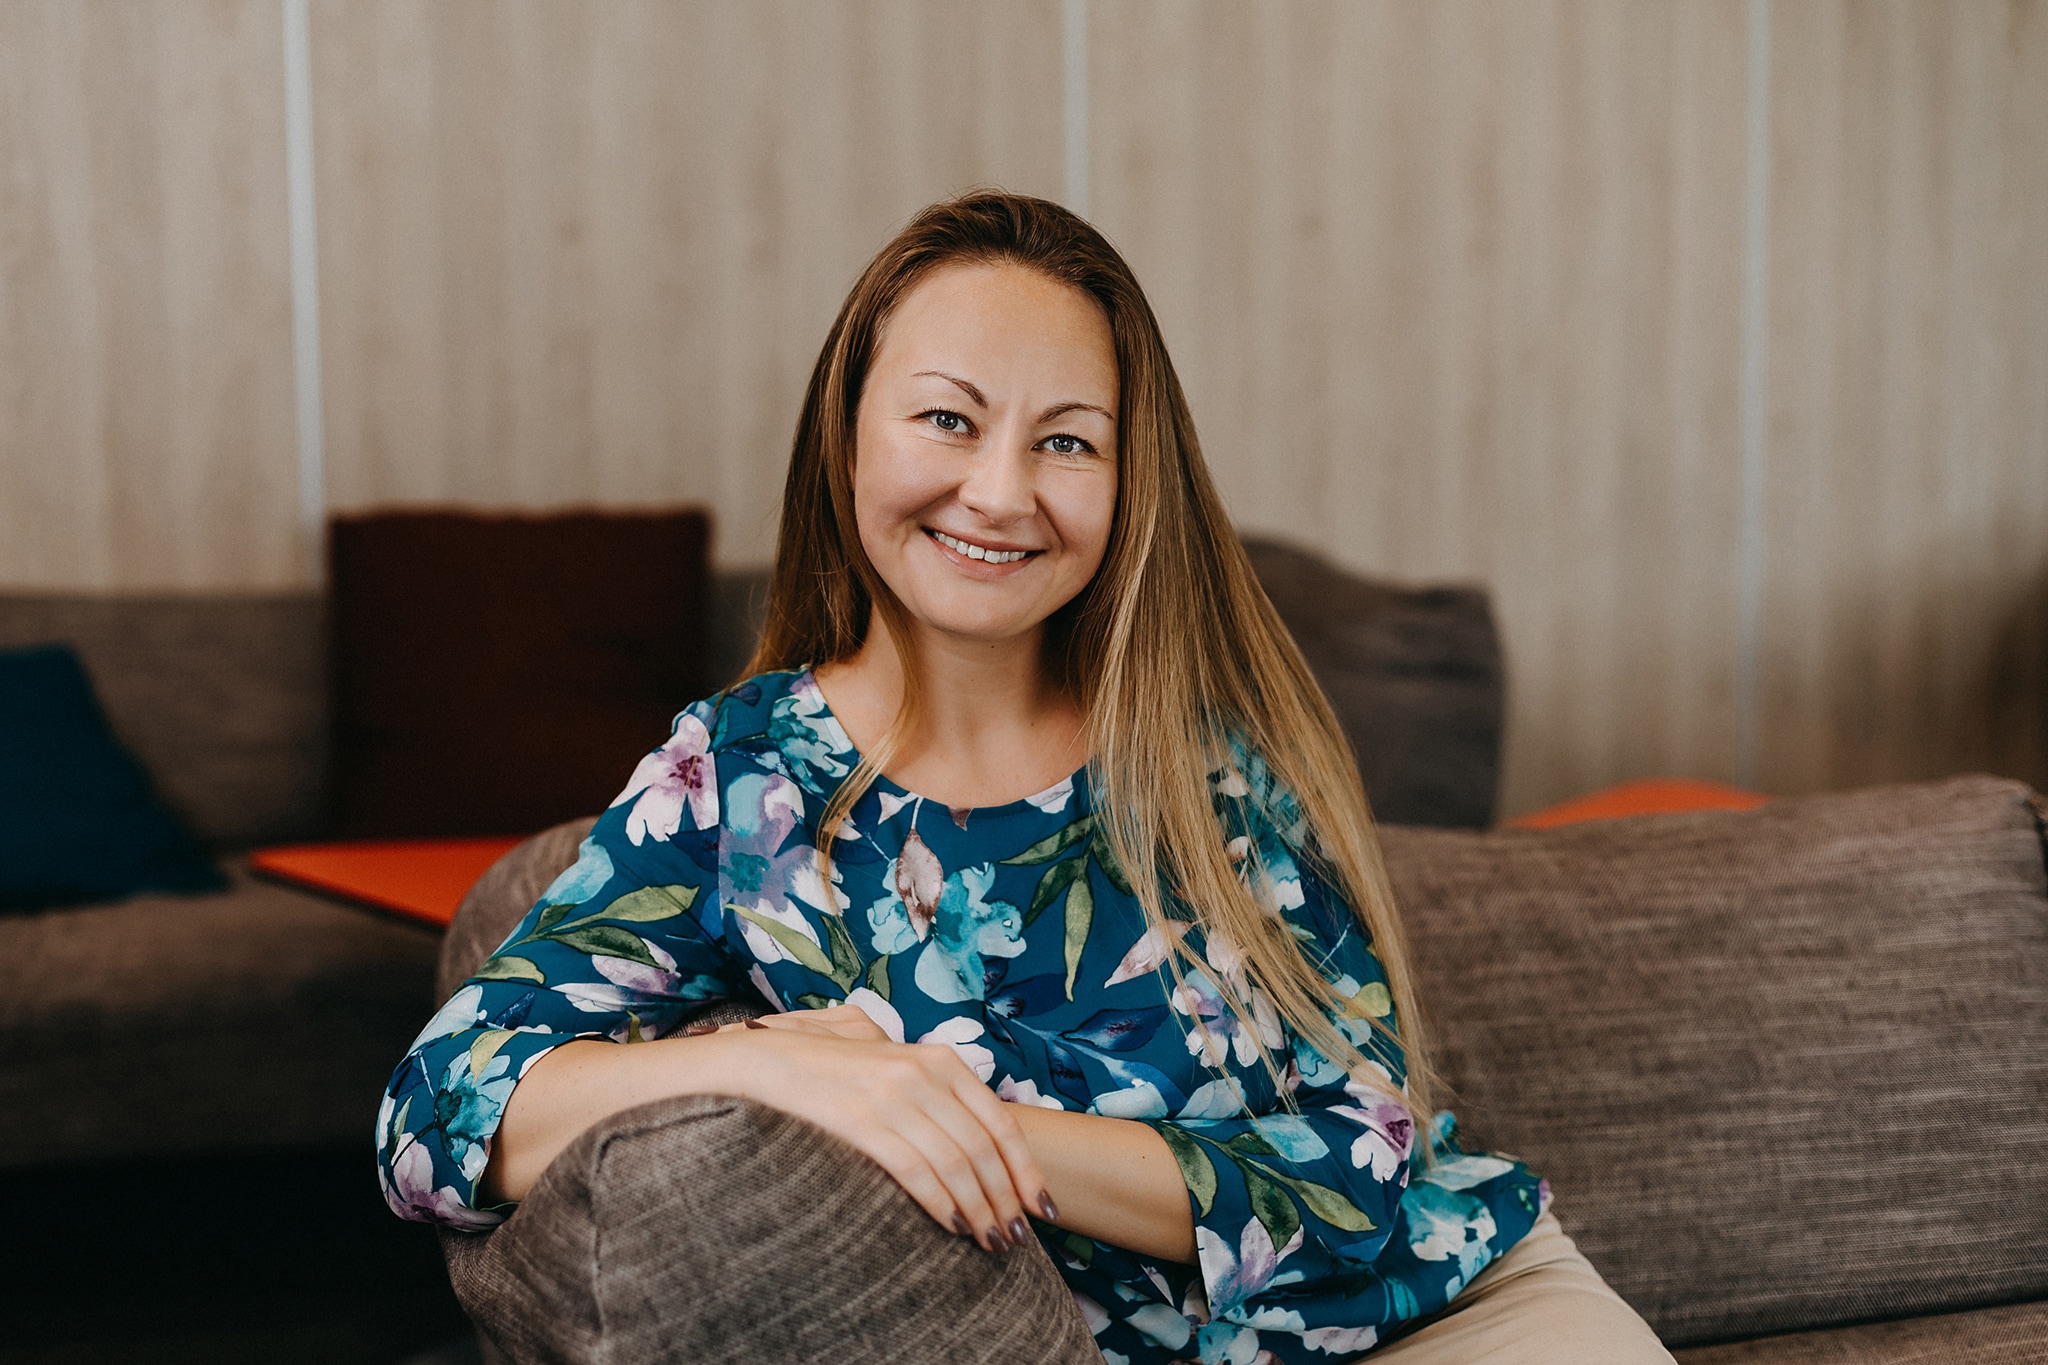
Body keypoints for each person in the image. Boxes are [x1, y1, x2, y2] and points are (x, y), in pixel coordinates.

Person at [377, 192, 1672, 1363]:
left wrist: (967, 1126)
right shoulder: (740, 783)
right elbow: (433, 1118)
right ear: (846, 435)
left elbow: (1361, 1167)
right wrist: (772, 1072)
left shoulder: (1204, 755)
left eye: (1067, 442)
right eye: (947, 418)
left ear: (1127, 480)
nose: (999, 493)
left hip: (1448, 1309)